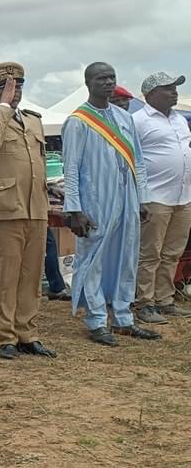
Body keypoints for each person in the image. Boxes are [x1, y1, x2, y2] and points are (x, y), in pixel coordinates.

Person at [61, 62, 160, 346]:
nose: (107, 82)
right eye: (101, 78)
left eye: (111, 77)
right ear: (88, 83)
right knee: (93, 261)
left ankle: (123, 317)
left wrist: (143, 199)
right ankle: (95, 320)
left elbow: (138, 162)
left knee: (126, 257)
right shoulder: (78, 121)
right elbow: (71, 169)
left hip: (128, 198)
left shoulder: (125, 117)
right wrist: (74, 210)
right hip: (95, 200)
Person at [0, 62, 58, 360]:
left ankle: (27, 333)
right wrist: (4, 105)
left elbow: (39, 162)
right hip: (4, 209)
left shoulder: (34, 121)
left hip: (35, 207)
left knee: (32, 275)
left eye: (18, 86)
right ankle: (6, 336)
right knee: (7, 276)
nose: (14, 91)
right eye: (5, 87)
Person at [132, 72, 191, 323]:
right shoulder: (138, 120)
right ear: (151, 94)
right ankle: (144, 302)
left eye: (175, 88)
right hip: (155, 197)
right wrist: (141, 197)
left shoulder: (179, 120)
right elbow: (133, 160)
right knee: (149, 253)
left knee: (172, 252)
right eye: (168, 88)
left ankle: (165, 299)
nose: (174, 92)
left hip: (183, 197)